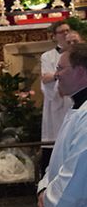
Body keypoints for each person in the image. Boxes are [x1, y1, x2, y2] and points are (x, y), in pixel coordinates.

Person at [37, 43, 87, 207]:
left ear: (81, 71)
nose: (56, 74)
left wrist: (50, 198)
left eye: (61, 68)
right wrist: (43, 188)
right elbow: (58, 160)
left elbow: (80, 168)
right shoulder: (76, 109)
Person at [40, 23, 71, 170]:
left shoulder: (79, 54)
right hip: (57, 102)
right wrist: (62, 75)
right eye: (61, 32)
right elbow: (46, 78)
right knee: (57, 138)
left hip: (76, 99)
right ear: (54, 36)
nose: (65, 34)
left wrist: (57, 75)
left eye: (68, 31)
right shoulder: (48, 56)